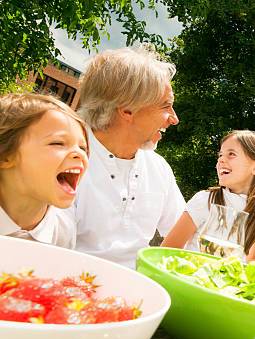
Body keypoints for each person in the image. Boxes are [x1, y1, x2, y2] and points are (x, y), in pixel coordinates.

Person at [67, 46, 185, 268]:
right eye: (166, 106)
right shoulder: (66, 159)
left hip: (137, 292)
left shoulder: (158, 168)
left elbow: (187, 238)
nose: (174, 119)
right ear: (128, 110)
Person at [162, 130, 255, 261]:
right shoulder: (205, 200)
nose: (221, 159)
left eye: (231, 154)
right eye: (220, 155)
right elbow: (168, 250)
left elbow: (252, 261)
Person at [0, 93, 88, 248]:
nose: (79, 154)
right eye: (58, 143)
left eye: (82, 147)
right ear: (6, 156)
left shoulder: (63, 230)